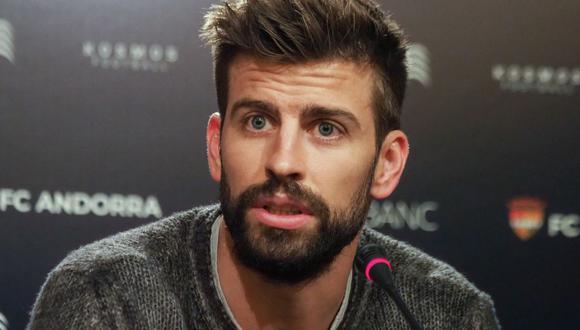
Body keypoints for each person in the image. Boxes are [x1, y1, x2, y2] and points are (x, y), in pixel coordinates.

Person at [28, 0, 500, 329]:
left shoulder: (447, 316)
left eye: (326, 129)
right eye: (257, 121)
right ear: (216, 145)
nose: (283, 161)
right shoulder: (105, 300)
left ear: (386, 163)